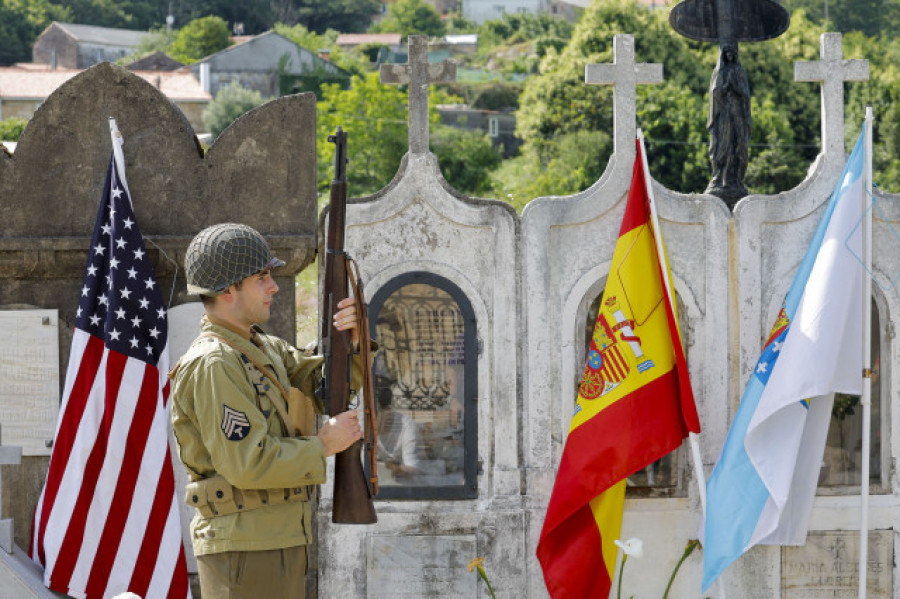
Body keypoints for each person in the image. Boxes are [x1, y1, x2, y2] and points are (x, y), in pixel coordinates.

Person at [170, 223, 365, 599]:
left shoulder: (262, 348)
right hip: (245, 547)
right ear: (229, 290)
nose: (274, 286)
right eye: (262, 277)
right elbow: (247, 462)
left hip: (274, 537)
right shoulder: (216, 363)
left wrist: (352, 344)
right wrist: (323, 445)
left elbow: (324, 390)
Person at [705, 43, 751, 203]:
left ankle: (736, 179)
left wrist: (735, 87)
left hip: (737, 113)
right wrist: (725, 87)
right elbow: (715, 93)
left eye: (732, 53)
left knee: (738, 146)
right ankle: (720, 178)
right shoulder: (720, 72)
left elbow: (745, 94)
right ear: (723, 56)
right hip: (724, 115)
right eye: (727, 53)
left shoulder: (739, 72)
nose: (730, 56)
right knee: (723, 146)